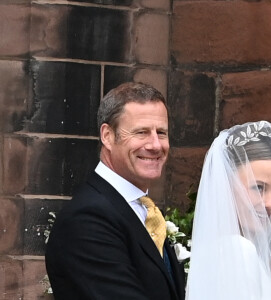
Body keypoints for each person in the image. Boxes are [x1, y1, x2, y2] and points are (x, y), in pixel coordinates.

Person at [45, 82, 185, 300]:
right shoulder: (87, 220)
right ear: (107, 136)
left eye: (162, 132)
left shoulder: (143, 211)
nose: (156, 145)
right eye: (141, 132)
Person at [185, 120, 271, 300]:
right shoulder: (237, 250)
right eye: (258, 187)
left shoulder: (215, 251)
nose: (270, 203)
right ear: (226, 185)